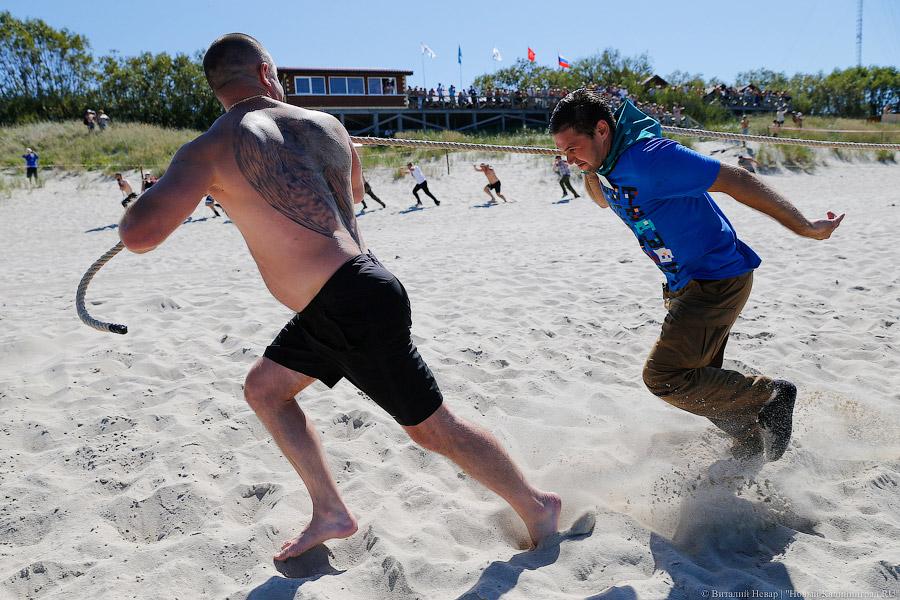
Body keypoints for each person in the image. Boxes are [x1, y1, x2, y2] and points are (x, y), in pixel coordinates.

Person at [118, 33, 560, 561]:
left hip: (347, 303)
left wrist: (186, 181)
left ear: (216, 88)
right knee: (265, 389)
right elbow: (351, 194)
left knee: (431, 428)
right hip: (348, 295)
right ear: (265, 73)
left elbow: (139, 236)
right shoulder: (328, 124)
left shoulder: (208, 148)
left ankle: (537, 505)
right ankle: (330, 511)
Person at [549, 88, 845, 462]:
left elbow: (735, 179)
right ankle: (749, 437)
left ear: (603, 130)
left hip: (715, 279)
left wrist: (805, 227)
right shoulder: (605, 164)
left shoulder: (650, 158)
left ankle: (772, 396)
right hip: (686, 284)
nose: (568, 157)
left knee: (666, 376)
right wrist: (586, 165)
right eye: (562, 151)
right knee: (701, 381)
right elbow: (602, 199)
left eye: (573, 147)